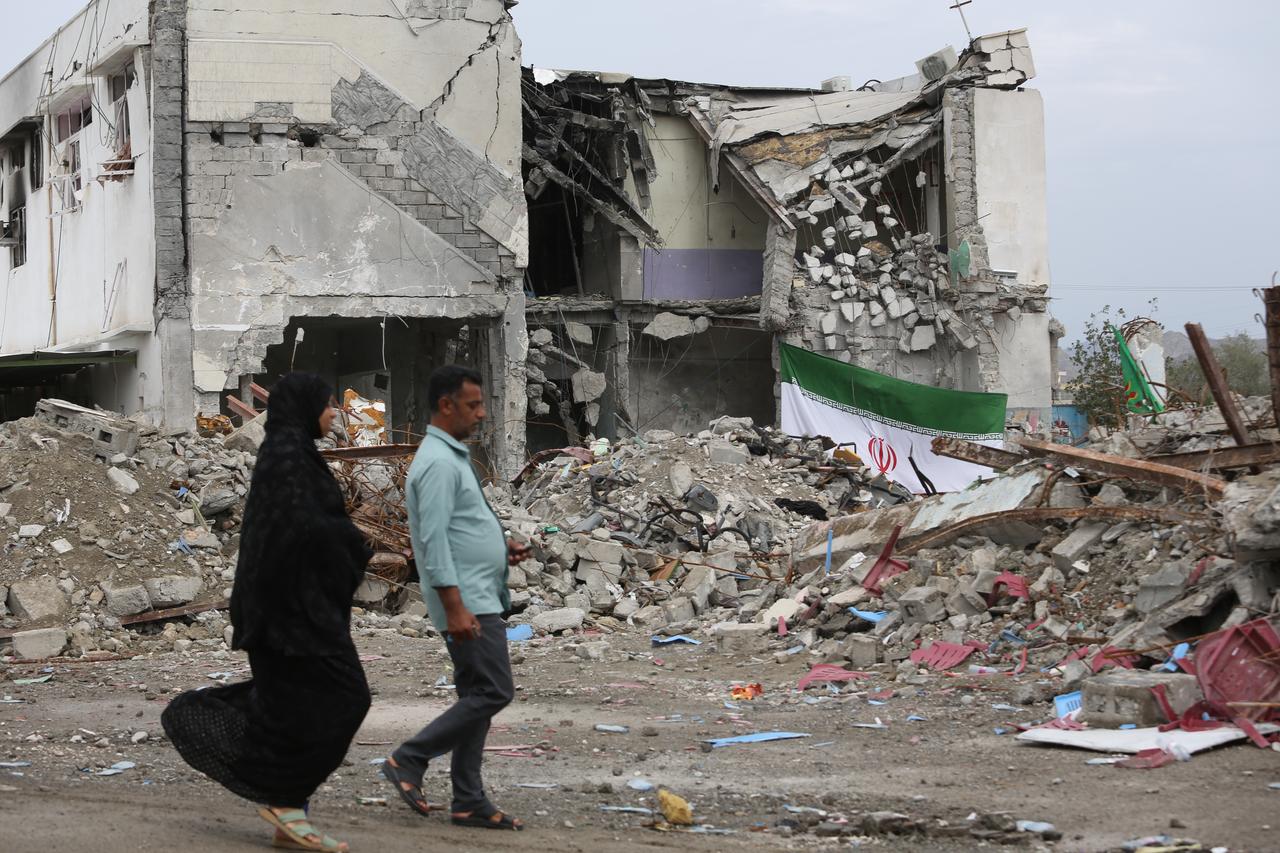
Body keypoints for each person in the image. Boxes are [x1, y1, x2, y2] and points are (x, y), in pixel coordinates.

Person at [162, 373, 372, 853]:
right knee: (347, 697)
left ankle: (289, 813)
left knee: (293, 706)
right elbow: (306, 531)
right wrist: (351, 543)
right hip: (289, 618)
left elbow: (303, 530)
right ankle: (281, 797)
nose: (335, 412)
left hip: (289, 612)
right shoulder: (287, 459)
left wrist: (342, 541)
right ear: (305, 407)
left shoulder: (293, 454)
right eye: (328, 404)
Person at [381, 365, 530, 831]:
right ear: (446, 406)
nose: (482, 414)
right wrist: (454, 606)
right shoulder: (438, 462)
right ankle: (409, 757)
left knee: (476, 695)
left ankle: (467, 800)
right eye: (473, 405)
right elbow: (431, 541)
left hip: (478, 593)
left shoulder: (453, 456)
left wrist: (499, 544)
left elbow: (460, 526)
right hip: (468, 600)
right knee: (493, 691)